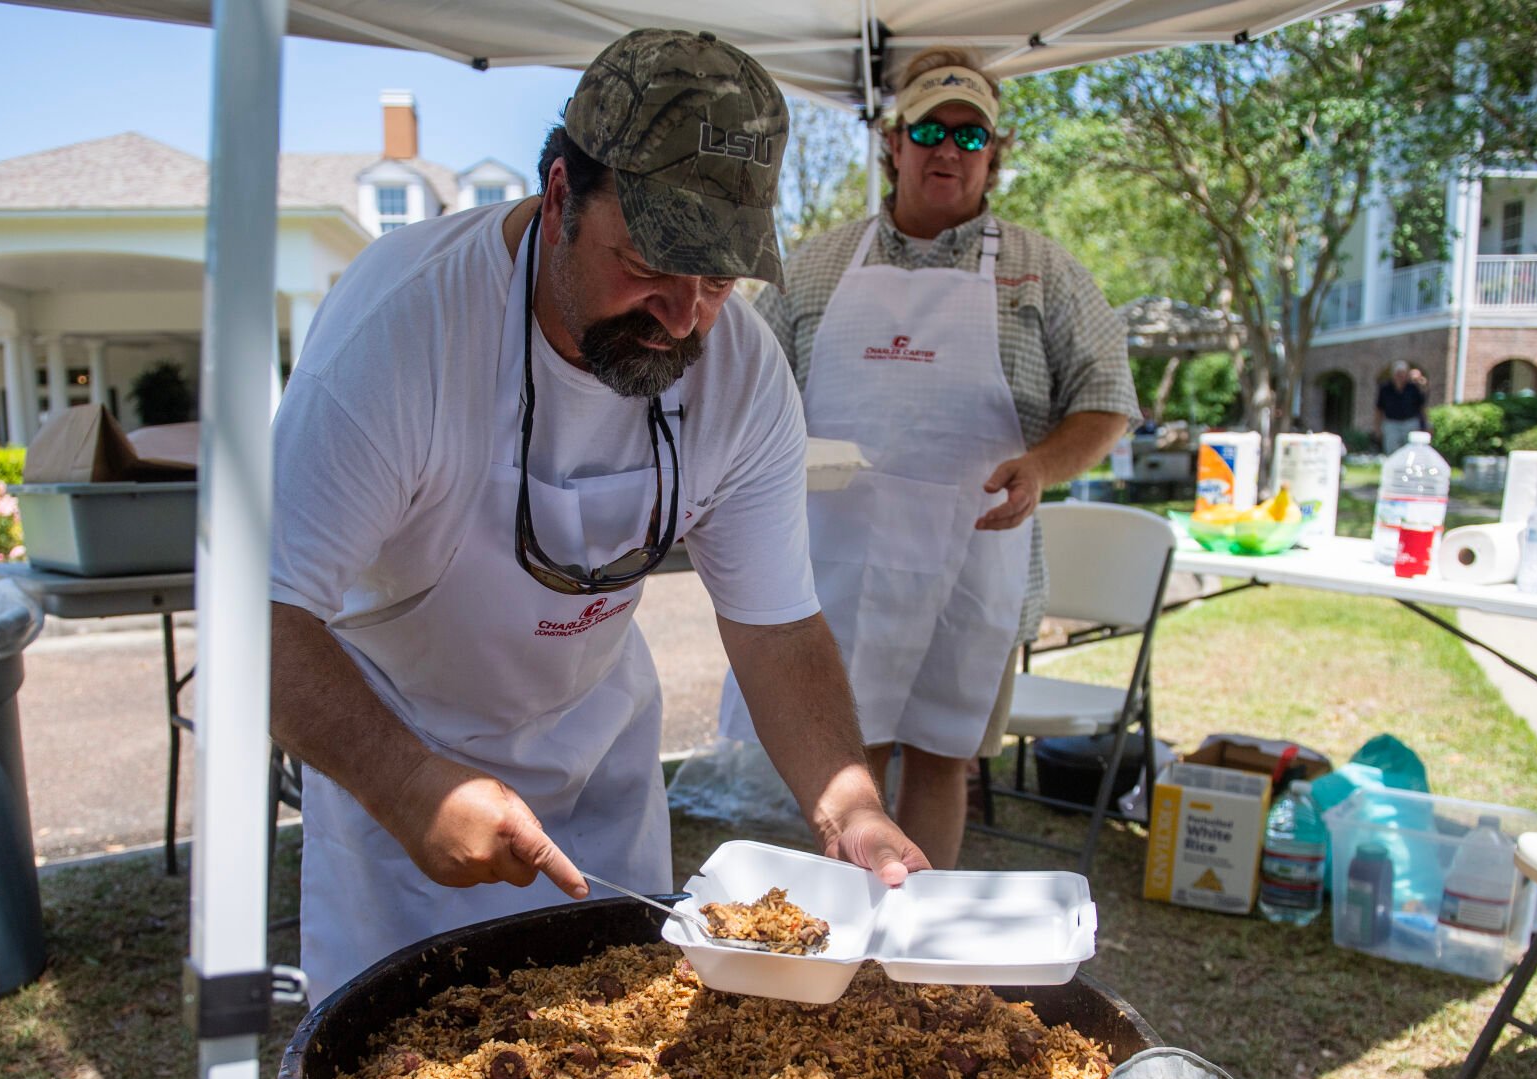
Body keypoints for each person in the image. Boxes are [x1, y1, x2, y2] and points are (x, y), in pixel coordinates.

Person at [269, 29, 927, 1005]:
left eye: (718, 278)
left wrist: (851, 805)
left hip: (597, 754)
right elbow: (259, 617)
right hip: (400, 750)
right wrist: (407, 783)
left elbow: (777, 626)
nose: (682, 316)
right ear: (558, 197)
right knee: (411, 1055)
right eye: (651, 261)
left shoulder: (741, 373)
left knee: (612, 1042)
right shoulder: (401, 335)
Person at [720, 47, 1137, 870]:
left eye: (970, 134)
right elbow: (744, 389)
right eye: (928, 130)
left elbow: (1107, 399)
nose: (949, 149)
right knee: (847, 760)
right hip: (835, 560)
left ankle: (915, 926)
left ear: (995, 153)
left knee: (944, 758)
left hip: (976, 559)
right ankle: (847, 925)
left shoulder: (1042, 271)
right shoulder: (816, 265)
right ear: (894, 143)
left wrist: (1042, 466)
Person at [1375, 361, 1427, 452]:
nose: (1400, 376)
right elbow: (1379, 409)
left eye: (1403, 373)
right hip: (1391, 423)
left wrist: (1426, 424)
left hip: (1410, 422)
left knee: (1410, 450)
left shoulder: (1413, 388)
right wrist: (1377, 427)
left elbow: (1421, 407)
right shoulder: (1385, 389)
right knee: (1391, 449)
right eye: (1398, 373)